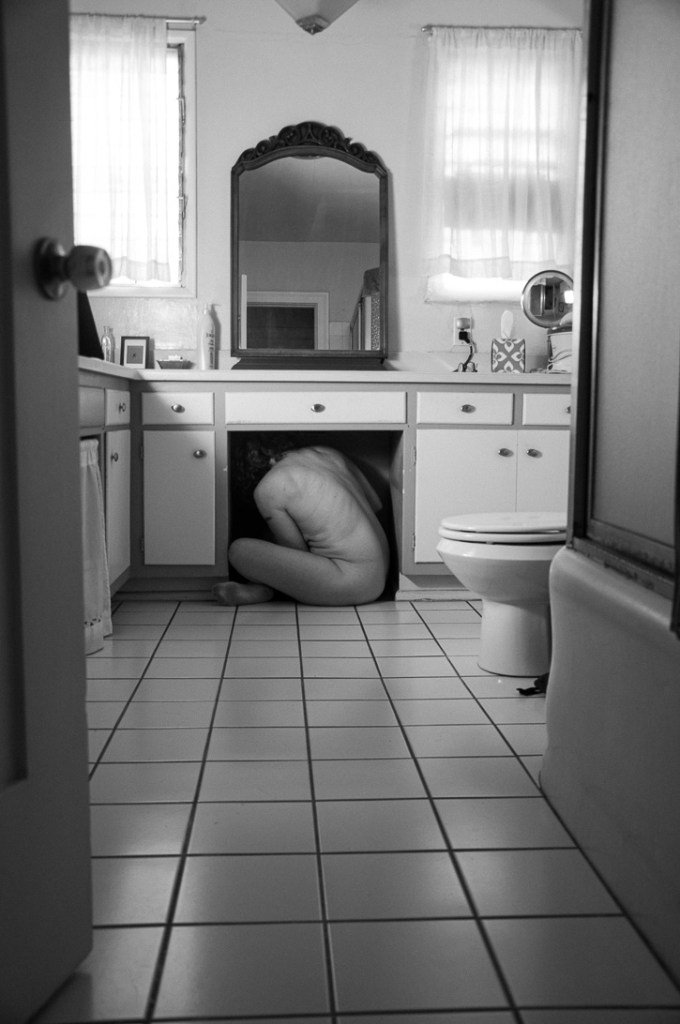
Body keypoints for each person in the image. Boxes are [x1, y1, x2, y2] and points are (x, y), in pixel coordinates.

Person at [212, 445, 389, 606]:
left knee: (239, 550)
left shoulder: (268, 488)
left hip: (353, 583)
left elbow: (296, 552)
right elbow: (376, 504)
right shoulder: (327, 453)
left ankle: (264, 590)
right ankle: (259, 589)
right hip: (383, 571)